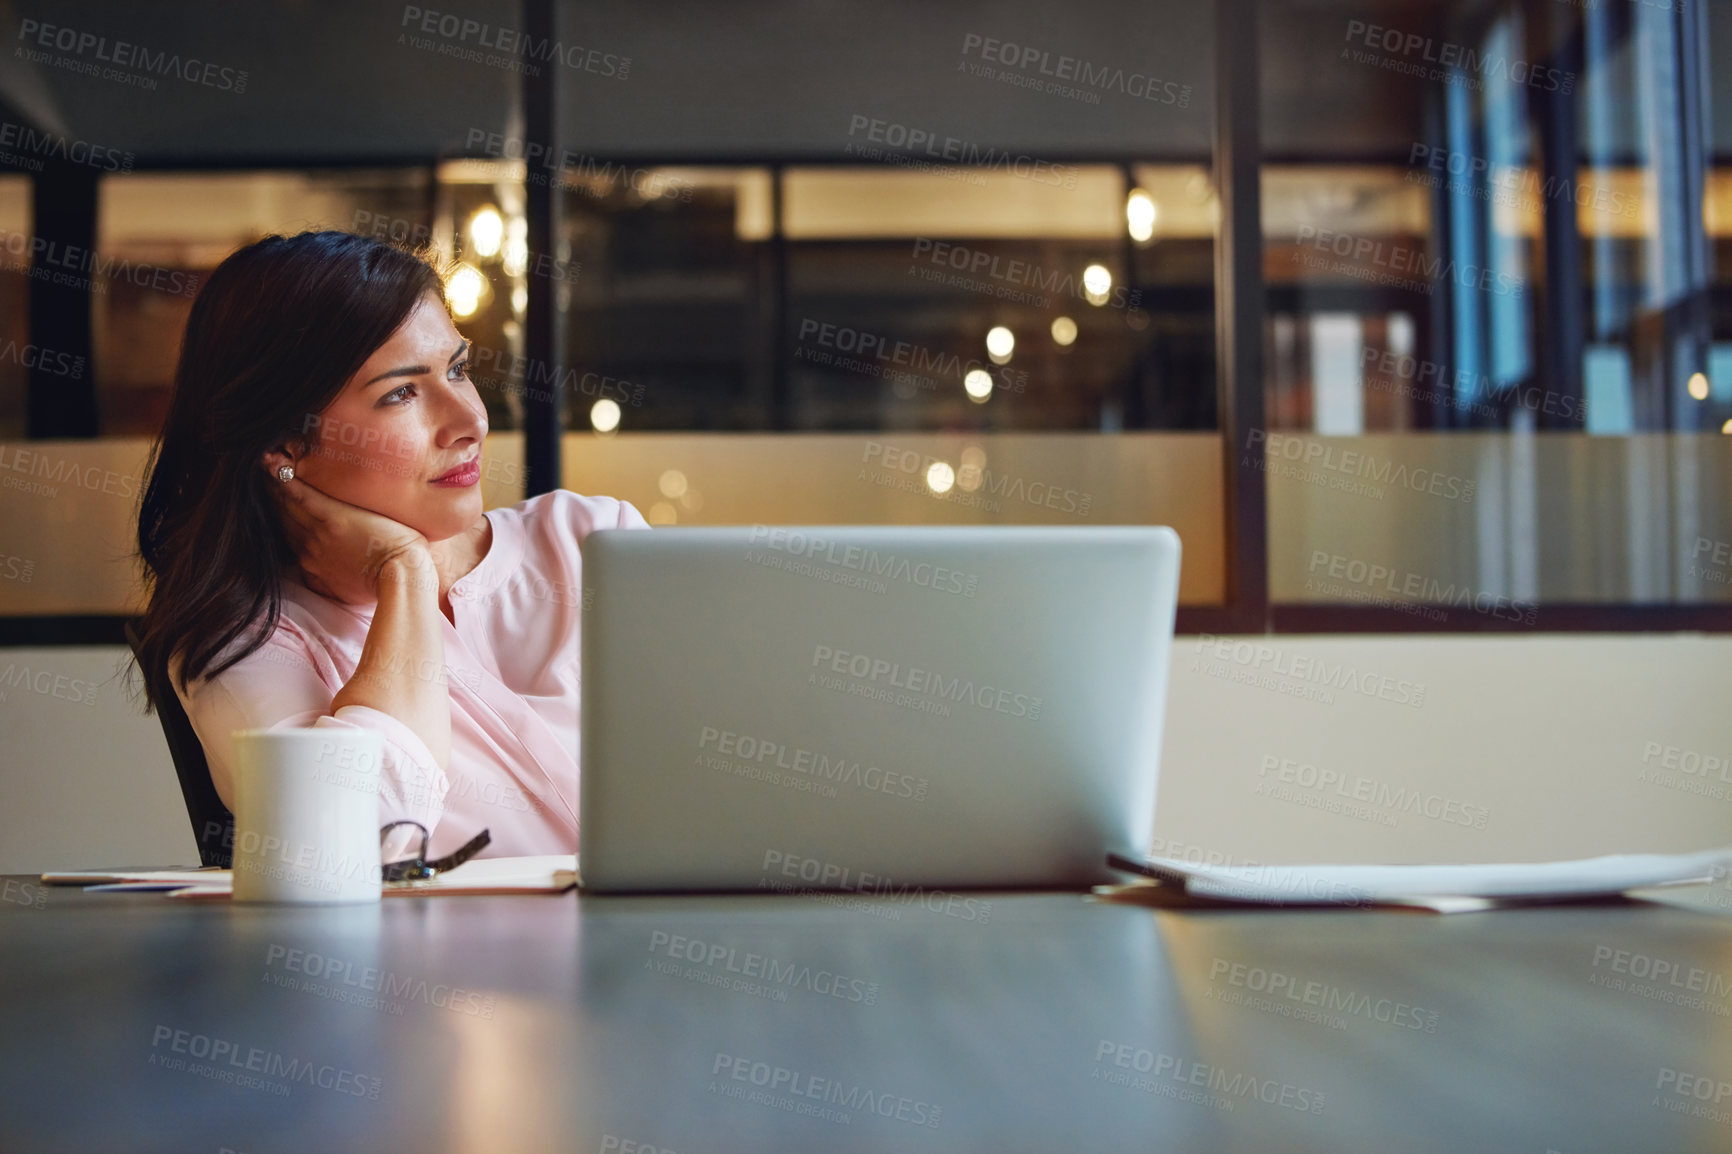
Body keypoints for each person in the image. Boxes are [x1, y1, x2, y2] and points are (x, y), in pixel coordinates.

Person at [133, 230, 648, 860]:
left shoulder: (590, 544)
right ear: (286, 447)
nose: (470, 423)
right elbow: (361, 843)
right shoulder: (249, 641)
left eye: (458, 370)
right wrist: (404, 576)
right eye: (401, 392)